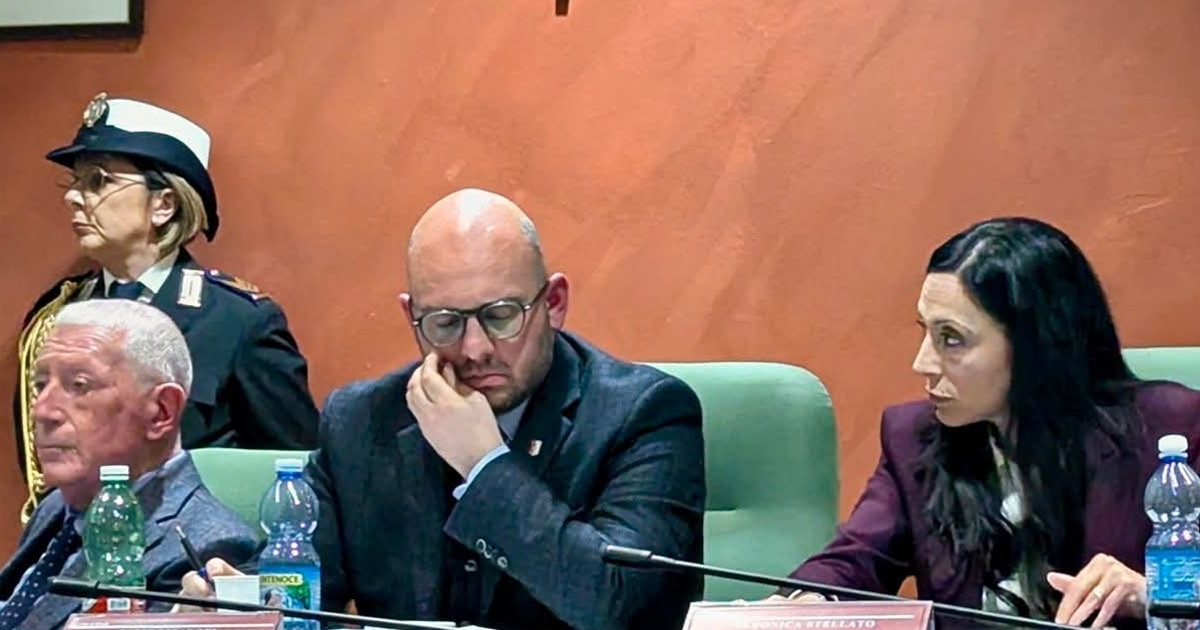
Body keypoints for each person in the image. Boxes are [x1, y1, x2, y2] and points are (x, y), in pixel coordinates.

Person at [181, 188, 707, 630]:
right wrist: (238, 600)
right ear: (411, 315)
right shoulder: (362, 422)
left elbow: (631, 610)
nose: (475, 349)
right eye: (446, 322)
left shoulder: (645, 414)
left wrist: (485, 465)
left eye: (501, 316)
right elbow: (305, 588)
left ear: (554, 303)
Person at [781, 217, 1200, 629]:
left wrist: (1152, 594)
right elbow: (853, 562)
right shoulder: (914, 439)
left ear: (1035, 345)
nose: (922, 363)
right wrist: (802, 606)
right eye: (926, 332)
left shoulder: (1171, 430)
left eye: (951, 339)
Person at [14, 92, 320, 522]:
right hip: (75, 546)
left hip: (193, 552)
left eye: (98, 181)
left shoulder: (235, 321)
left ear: (164, 204)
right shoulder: (60, 315)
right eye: (75, 182)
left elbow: (296, 473)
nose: (74, 198)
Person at [0, 300, 259, 630]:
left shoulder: (208, 548)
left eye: (79, 386)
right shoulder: (57, 507)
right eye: (40, 385)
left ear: (161, 412)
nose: (42, 411)